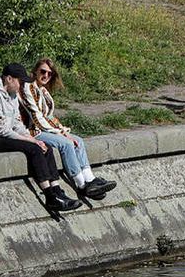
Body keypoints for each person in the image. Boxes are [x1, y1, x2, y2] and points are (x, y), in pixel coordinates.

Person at [0, 64, 81, 212]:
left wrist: (30, 137)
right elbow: (1, 129)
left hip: (2, 135)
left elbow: (16, 123)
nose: (21, 85)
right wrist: (30, 140)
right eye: (20, 82)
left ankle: (57, 191)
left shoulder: (12, 95)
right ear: (9, 79)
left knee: (46, 147)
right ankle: (50, 197)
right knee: (33, 149)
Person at [20, 58, 116, 201]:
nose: (46, 76)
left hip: (46, 129)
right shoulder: (29, 88)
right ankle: (82, 185)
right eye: (43, 72)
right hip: (35, 131)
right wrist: (61, 134)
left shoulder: (44, 91)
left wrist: (63, 131)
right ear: (35, 71)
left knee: (78, 141)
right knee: (66, 144)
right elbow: (37, 118)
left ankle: (90, 179)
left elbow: (49, 116)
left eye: (50, 74)